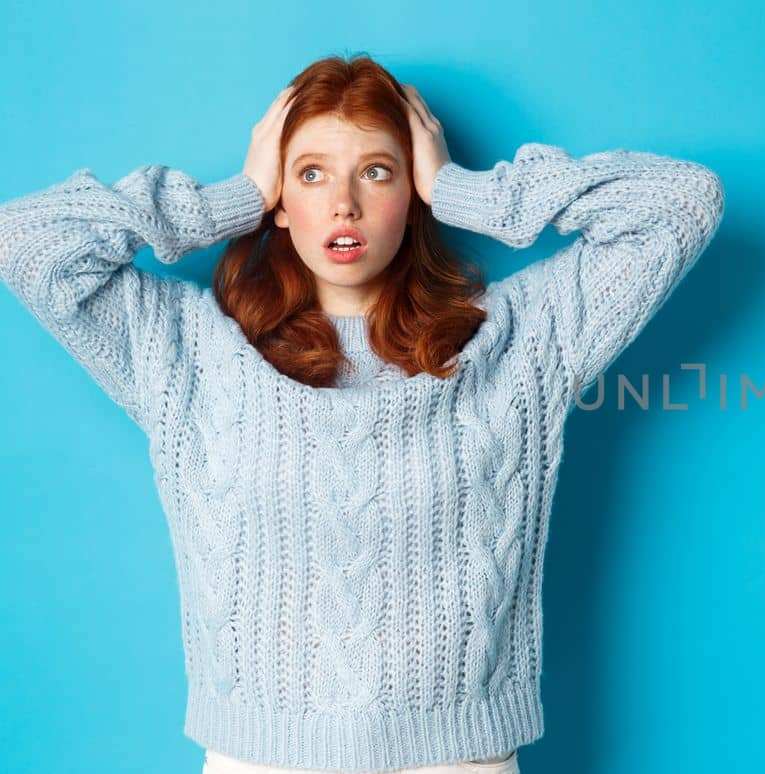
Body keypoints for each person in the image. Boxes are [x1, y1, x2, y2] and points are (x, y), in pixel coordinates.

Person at [0, 54, 725, 773]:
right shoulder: (190, 351)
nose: (343, 203)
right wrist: (236, 195)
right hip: (260, 760)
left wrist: (462, 190)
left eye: (377, 171)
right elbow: (27, 242)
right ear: (281, 200)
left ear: (410, 194)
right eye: (311, 173)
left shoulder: (520, 338)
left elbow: (681, 205)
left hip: (458, 762)